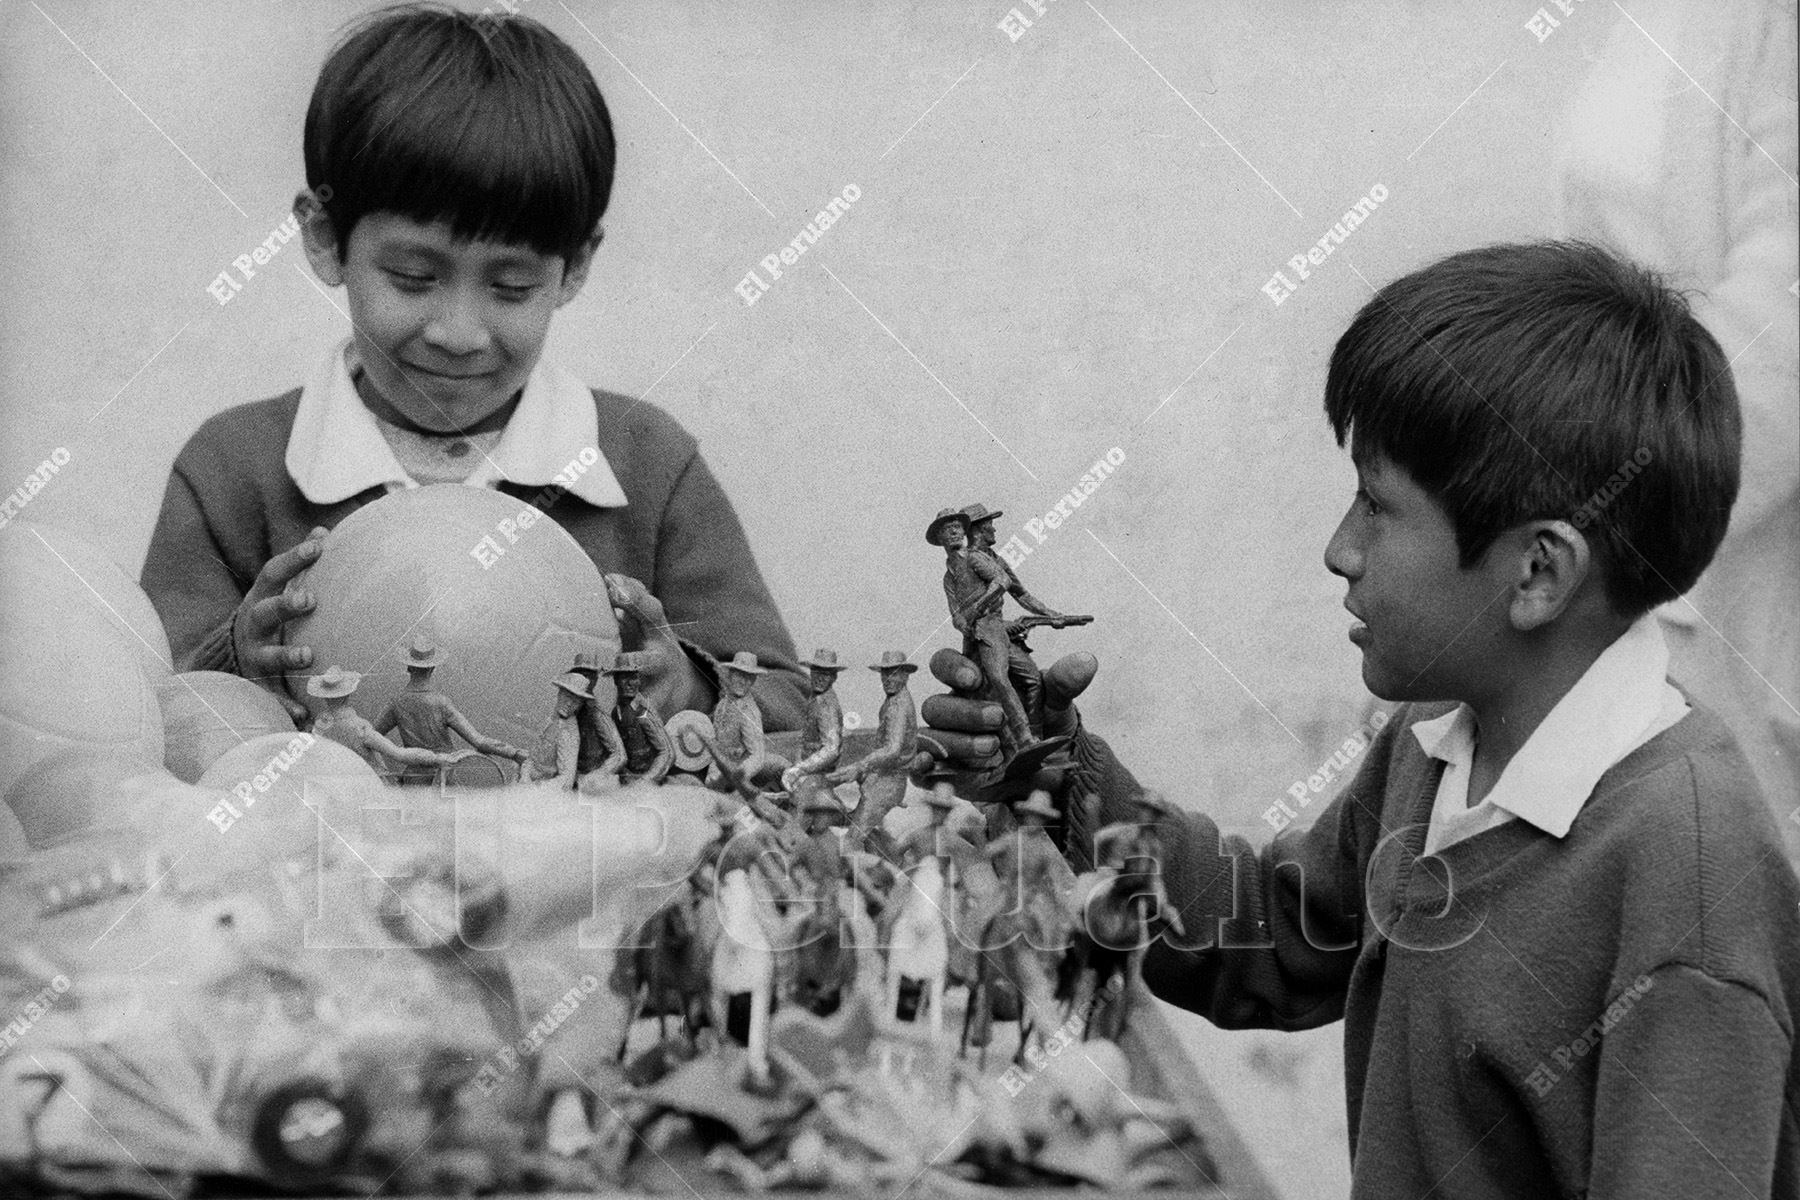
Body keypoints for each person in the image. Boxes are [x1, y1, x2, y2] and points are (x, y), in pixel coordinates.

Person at [926, 242, 1800, 1197]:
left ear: (1539, 574)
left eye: (1377, 506)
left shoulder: (1690, 885)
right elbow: (1273, 933)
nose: (1339, 550)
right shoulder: (1439, 741)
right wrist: (1068, 779)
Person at [137, 5, 806, 731]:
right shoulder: (234, 470)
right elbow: (150, 708)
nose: (459, 334)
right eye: (414, 278)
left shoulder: (646, 464)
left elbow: (786, 700)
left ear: (575, 265)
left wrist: (690, 686)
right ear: (327, 239)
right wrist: (240, 661)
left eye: (511, 288)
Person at [960, 502, 1072, 736]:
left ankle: (1034, 737)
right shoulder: (971, 561)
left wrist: (1050, 614)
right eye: (990, 525)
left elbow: (1021, 593)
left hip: (999, 632)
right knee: (994, 686)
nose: (995, 530)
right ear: (978, 530)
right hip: (983, 637)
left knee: (1033, 680)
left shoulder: (996, 559)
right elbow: (969, 611)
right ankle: (1022, 738)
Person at [928, 508, 1034, 750]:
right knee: (975, 692)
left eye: (957, 527)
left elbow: (1003, 581)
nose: (954, 531)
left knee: (998, 677)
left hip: (990, 627)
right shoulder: (948, 575)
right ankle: (1009, 748)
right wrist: (962, 624)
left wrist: (980, 606)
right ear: (940, 539)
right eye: (947, 529)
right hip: (972, 635)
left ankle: (1025, 734)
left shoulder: (974, 559)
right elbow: (955, 613)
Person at [374, 637, 525, 783]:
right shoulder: (442, 703)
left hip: (414, 780)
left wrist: (382, 771)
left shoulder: (396, 703)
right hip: (445, 779)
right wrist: (514, 753)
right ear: (432, 668)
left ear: (408, 667)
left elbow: (371, 738)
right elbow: (479, 742)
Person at [306, 665, 455, 777]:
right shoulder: (360, 728)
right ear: (347, 694)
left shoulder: (320, 727)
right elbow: (399, 755)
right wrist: (436, 758)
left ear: (324, 696)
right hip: (371, 790)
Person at [781, 650, 847, 793]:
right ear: (811, 673)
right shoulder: (816, 698)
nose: (819, 678)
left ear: (834, 677)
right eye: (816, 672)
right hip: (810, 768)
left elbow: (831, 749)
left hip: (820, 774)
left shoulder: (826, 705)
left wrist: (799, 770)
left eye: (825, 674)